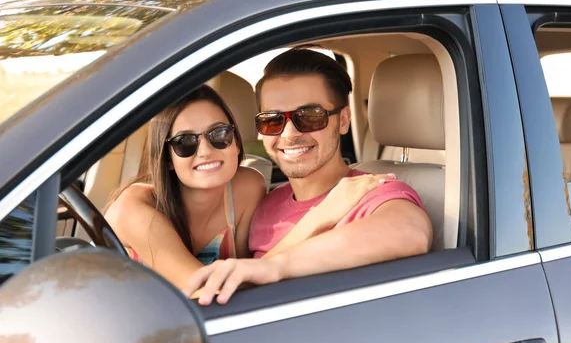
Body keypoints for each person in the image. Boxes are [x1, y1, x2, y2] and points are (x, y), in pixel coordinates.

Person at [183, 47, 433, 305]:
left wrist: (276, 267)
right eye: (272, 120)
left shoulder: (370, 190)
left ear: (344, 120)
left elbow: (409, 232)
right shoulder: (264, 205)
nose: (289, 134)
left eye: (310, 117)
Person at [104, 85, 390, 291]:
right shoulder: (134, 208)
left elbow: (247, 282)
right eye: (185, 142)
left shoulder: (246, 186)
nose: (204, 151)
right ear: (166, 158)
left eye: (219, 134)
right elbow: (204, 290)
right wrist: (318, 217)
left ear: (236, 142)